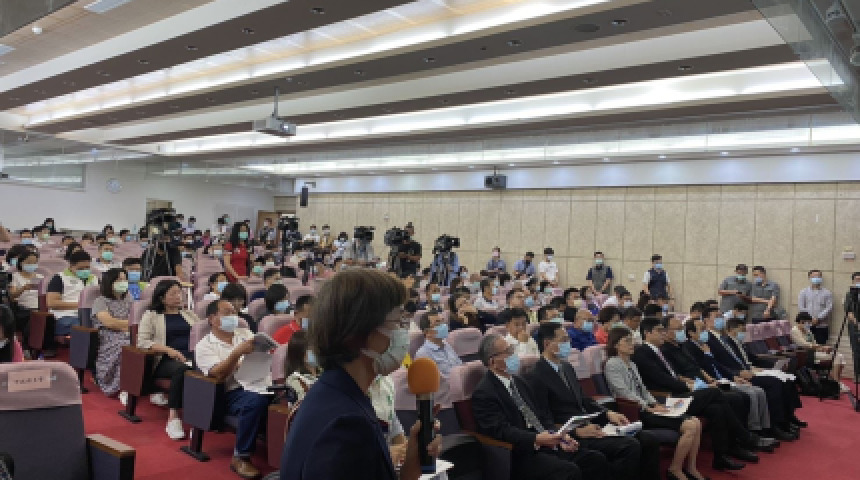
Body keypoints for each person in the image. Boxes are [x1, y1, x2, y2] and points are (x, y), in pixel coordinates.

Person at [280, 269, 441, 480]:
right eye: (397, 323)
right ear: (361, 334)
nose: (403, 333)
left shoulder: (336, 394)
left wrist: (411, 466)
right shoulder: (347, 426)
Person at [527, 322, 661, 480]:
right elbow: (544, 418)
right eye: (563, 340)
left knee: (648, 439)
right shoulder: (536, 375)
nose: (568, 343)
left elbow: (584, 399)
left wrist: (608, 413)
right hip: (571, 434)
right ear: (547, 344)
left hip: (589, 423)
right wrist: (575, 432)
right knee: (628, 446)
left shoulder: (566, 367)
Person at [631, 318, 772, 466]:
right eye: (659, 331)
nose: (663, 333)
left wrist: (693, 383)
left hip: (679, 392)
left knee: (716, 408)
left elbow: (676, 375)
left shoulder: (659, 350)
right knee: (715, 393)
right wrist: (690, 386)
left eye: (664, 330)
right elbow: (661, 379)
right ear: (647, 333)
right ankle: (745, 437)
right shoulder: (643, 353)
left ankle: (721, 456)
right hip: (667, 397)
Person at [471, 333, 609, 480]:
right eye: (508, 351)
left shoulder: (520, 382)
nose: (513, 354)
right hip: (521, 452)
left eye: (512, 349)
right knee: (568, 471)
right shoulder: (484, 393)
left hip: (545, 443)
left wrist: (559, 436)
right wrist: (536, 439)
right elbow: (501, 430)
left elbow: (541, 415)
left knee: (595, 460)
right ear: (493, 361)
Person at [603, 327, 712, 478]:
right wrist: (648, 407)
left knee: (696, 422)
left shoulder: (632, 364)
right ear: (616, 344)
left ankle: (691, 468)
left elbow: (643, 389)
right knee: (690, 426)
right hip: (634, 411)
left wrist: (655, 404)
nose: (632, 344)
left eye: (632, 340)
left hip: (647, 407)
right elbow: (624, 393)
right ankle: (675, 469)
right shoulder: (612, 364)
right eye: (627, 341)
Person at [679, 318, 794, 440]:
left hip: (724, 377)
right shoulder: (689, 347)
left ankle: (767, 427)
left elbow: (718, 365)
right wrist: (708, 357)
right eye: (702, 329)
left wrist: (733, 376)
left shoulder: (704, 345)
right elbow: (701, 369)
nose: (705, 332)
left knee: (759, 391)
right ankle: (752, 431)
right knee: (749, 394)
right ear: (691, 333)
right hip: (712, 381)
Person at [196, 299, 271, 479]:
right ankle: (240, 456)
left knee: (290, 398)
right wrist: (236, 353)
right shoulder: (205, 345)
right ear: (212, 319)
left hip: (261, 383)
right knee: (256, 401)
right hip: (232, 392)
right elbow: (218, 375)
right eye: (227, 313)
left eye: (234, 313)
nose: (233, 317)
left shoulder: (245, 333)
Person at [702, 308, 805, 435]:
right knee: (773, 383)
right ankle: (775, 424)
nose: (721, 319)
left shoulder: (722, 338)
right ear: (706, 320)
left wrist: (764, 367)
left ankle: (787, 418)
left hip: (744, 370)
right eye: (717, 317)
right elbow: (717, 363)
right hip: (734, 375)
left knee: (786, 379)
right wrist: (736, 374)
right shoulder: (708, 340)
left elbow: (747, 358)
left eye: (721, 316)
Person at [138, 279, 199, 440]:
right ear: (161, 297)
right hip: (164, 360)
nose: (178, 296)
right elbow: (142, 342)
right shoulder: (151, 316)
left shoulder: (189, 314)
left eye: (179, 293)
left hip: (191, 356)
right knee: (182, 370)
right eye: (173, 293)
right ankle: (173, 417)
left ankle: (200, 417)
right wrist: (169, 350)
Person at [91, 268, 132, 398]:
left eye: (125, 279)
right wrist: (129, 325)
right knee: (125, 347)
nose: (123, 282)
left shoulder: (129, 299)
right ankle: (120, 386)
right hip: (108, 334)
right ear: (110, 282)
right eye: (119, 280)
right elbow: (109, 322)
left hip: (129, 332)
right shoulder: (100, 301)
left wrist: (129, 326)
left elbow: (137, 320)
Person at [791, 312, 849, 391]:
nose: (809, 325)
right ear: (801, 321)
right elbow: (804, 344)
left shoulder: (807, 331)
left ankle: (837, 381)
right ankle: (836, 384)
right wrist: (822, 347)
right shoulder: (794, 331)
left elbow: (814, 343)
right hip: (807, 354)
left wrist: (823, 349)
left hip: (815, 352)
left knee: (840, 356)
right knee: (836, 357)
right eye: (808, 323)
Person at [47, 250, 99, 336]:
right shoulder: (60, 278)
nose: (85, 270)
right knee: (82, 327)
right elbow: (52, 303)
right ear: (71, 266)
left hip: (90, 315)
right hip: (66, 315)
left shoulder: (95, 279)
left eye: (87, 267)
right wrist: (81, 305)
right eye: (81, 268)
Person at [9, 249, 42, 352]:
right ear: (21, 263)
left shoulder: (40, 277)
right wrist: (23, 288)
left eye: (34, 262)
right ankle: (26, 347)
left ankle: (45, 347)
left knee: (46, 317)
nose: (32, 265)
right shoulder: (15, 277)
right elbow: (12, 296)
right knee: (33, 318)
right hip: (22, 308)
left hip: (39, 307)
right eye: (29, 262)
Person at [414, 311, 462, 376]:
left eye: (442, 321)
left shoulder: (447, 345)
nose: (443, 326)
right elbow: (433, 380)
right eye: (437, 323)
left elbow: (460, 366)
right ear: (427, 332)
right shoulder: (423, 354)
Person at [797, 269, 833, 345]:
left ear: (821, 278)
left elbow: (829, 308)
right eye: (813, 276)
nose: (816, 278)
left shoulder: (827, 293)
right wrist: (810, 319)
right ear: (809, 278)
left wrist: (818, 318)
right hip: (807, 326)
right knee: (808, 347)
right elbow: (801, 307)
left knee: (821, 347)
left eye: (818, 276)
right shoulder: (803, 292)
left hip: (822, 326)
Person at [283, 330, 319, 402]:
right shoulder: (294, 379)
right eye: (313, 348)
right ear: (302, 354)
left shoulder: (324, 373)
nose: (318, 351)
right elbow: (305, 402)